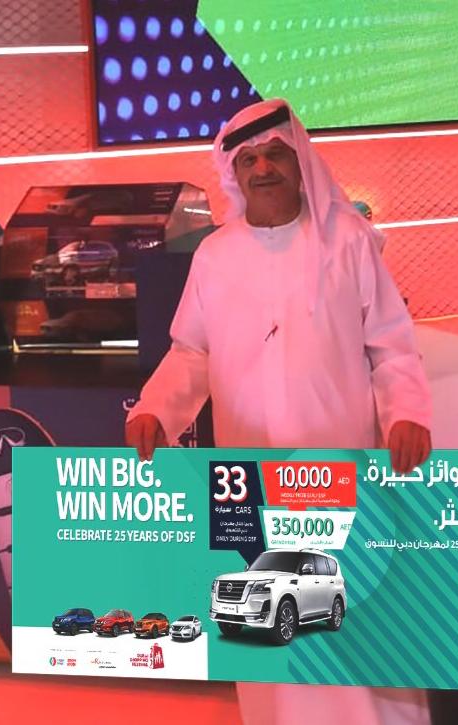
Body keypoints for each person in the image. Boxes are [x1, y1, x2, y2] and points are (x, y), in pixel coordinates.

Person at [126, 99, 433, 724]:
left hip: (338, 473)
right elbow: (191, 353)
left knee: (347, 622)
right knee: (263, 627)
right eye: (248, 160)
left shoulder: (347, 242)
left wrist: (406, 413)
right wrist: (158, 408)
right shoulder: (216, 256)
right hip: (251, 478)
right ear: (233, 174)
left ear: (300, 163)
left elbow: (391, 347)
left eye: (275, 155)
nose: (262, 168)